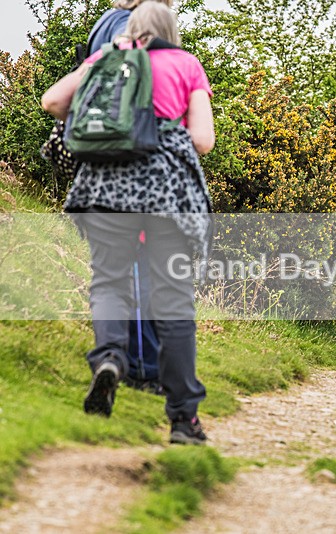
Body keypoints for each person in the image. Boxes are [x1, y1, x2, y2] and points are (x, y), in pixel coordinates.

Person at [41, 2, 215, 445]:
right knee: (173, 301)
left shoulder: (107, 57)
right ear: (171, 29)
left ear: (132, 28)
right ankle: (183, 419)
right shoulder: (186, 64)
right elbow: (203, 140)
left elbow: (53, 101)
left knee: (109, 281)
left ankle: (110, 359)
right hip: (167, 194)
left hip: (104, 186)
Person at [88, 0, 174, 396]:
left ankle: (112, 356)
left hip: (100, 167)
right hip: (136, 168)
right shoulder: (130, 28)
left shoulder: (103, 24)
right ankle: (142, 368)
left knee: (110, 275)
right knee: (142, 270)